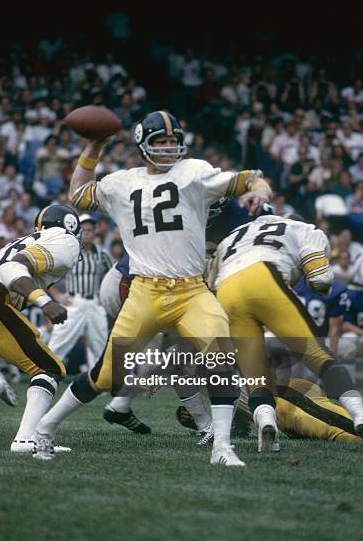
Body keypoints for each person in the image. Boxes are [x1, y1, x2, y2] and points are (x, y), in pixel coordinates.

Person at [33, 110, 271, 466]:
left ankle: (223, 447)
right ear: (144, 144)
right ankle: (45, 428)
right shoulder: (122, 182)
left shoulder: (195, 171)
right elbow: (79, 195)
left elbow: (246, 179)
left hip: (192, 291)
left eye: (174, 141)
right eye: (161, 141)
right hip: (145, 291)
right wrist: (94, 147)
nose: (169, 147)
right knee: (106, 375)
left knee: (220, 361)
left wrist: (260, 188)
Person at [210, 213, 363, 452]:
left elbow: (210, 285)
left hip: (226, 293)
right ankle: (359, 413)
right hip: (263, 277)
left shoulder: (233, 237)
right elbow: (321, 281)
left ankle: (265, 424)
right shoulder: (304, 230)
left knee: (257, 378)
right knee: (317, 355)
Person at [0, 204, 81, 454]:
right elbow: (14, 268)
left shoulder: (22, 240)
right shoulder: (65, 241)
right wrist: (45, 301)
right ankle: (25, 440)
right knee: (48, 368)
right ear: (71, 225)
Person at [48, 213, 112, 371]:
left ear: (95, 231)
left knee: (101, 344)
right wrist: (57, 295)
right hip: (73, 302)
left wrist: (106, 299)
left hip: (95, 303)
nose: (87, 233)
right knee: (58, 342)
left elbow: (113, 277)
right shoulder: (69, 252)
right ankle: (44, 373)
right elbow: (47, 276)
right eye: (83, 230)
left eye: (90, 230)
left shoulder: (102, 254)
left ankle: (103, 380)